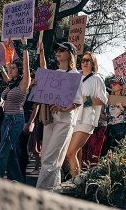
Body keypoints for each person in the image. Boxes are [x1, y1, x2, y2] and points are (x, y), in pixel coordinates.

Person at [36, 41, 83, 190]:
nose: (58, 52)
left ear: (70, 54)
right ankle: (54, 190)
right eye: (57, 50)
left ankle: (39, 194)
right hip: (50, 120)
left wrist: (64, 108)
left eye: (62, 50)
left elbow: (79, 101)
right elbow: (43, 71)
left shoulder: (76, 75)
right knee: (49, 158)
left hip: (64, 122)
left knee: (50, 158)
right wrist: (41, 52)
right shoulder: (55, 73)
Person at [0, 38, 30, 182]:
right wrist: (0, 53)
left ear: (19, 71)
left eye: (13, 68)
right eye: (10, 67)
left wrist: (25, 46)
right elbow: (1, 65)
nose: (10, 69)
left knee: (3, 150)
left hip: (16, 119)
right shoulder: (10, 83)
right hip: (7, 120)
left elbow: (25, 65)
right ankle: (18, 181)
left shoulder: (24, 84)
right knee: (10, 151)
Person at [66, 52, 108, 179]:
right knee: (77, 152)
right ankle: (77, 181)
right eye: (83, 60)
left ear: (93, 63)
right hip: (73, 118)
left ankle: (75, 181)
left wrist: (85, 99)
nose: (85, 62)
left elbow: (103, 100)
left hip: (87, 120)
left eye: (88, 60)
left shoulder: (97, 79)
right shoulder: (75, 77)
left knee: (70, 153)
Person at [103, 76, 126, 153]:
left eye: (114, 83)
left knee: (122, 153)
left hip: (123, 129)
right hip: (111, 130)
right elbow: (109, 117)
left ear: (122, 86)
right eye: (111, 83)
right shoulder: (110, 100)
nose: (112, 85)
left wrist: (122, 108)